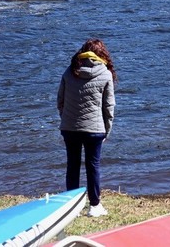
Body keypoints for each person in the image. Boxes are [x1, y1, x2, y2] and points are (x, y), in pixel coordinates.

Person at [57, 38, 116, 217]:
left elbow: (60, 101)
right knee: (93, 166)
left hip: (69, 128)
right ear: (102, 54)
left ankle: (71, 207)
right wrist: (107, 130)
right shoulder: (105, 74)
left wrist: (66, 119)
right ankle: (95, 206)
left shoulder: (70, 71)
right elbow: (109, 107)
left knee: (72, 165)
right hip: (95, 129)